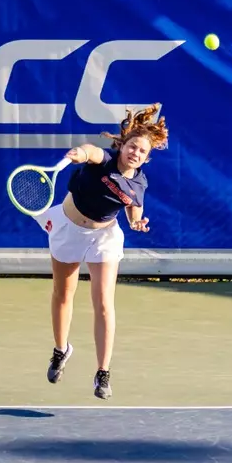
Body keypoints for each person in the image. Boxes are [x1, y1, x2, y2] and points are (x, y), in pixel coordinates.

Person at [43, 104, 167, 399]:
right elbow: (90, 151)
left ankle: (102, 373)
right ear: (122, 146)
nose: (135, 152)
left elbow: (134, 212)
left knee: (103, 303)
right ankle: (61, 350)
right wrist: (80, 154)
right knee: (63, 294)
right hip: (68, 229)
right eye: (132, 146)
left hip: (104, 237)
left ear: (146, 159)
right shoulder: (105, 159)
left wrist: (137, 225)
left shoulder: (138, 183)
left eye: (142, 151)